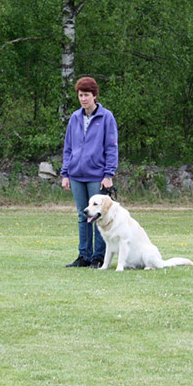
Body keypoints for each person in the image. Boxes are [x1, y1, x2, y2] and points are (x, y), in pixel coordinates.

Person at [61, 76, 119, 268]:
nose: (83, 99)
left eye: (86, 95)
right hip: (76, 175)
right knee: (82, 215)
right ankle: (83, 256)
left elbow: (111, 147)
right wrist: (65, 173)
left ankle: (98, 257)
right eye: (80, 95)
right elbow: (68, 148)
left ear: (94, 96)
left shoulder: (106, 117)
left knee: (99, 216)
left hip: (97, 176)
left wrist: (108, 174)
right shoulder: (75, 118)